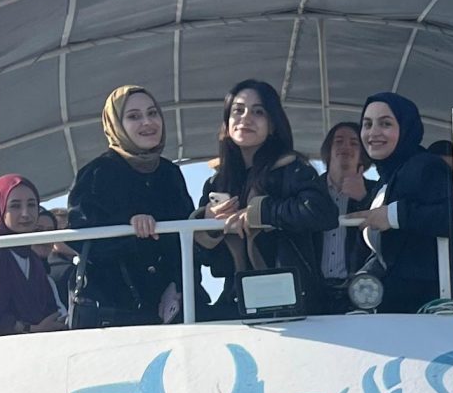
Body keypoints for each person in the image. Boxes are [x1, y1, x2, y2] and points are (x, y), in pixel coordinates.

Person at [198, 80, 338, 320]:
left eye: (258, 112)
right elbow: (202, 256)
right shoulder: (215, 183)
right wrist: (207, 222)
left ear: (273, 125)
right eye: (238, 110)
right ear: (227, 123)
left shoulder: (294, 169)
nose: (246, 118)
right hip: (236, 299)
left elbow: (323, 212)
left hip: (292, 298)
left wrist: (260, 212)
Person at [64, 86, 194, 328]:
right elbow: (79, 235)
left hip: (172, 310)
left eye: (152, 113)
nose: (147, 122)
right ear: (116, 124)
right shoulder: (96, 174)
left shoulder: (170, 173)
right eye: (134, 116)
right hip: (115, 312)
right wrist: (129, 227)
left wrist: (177, 285)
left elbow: (187, 238)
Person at [354, 92, 453, 313]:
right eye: (367, 124)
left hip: (423, 310)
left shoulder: (426, 166)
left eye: (385, 124)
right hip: (391, 306)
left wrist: (394, 216)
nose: (373, 132)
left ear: (406, 128)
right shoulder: (385, 180)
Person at [0, 174, 69, 339]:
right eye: (15, 206)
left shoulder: (33, 259)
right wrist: (31, 329)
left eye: (31, 205)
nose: (25, 214)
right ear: (0, 208)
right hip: (0, 350)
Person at [317, 118, 372, 310]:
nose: (345, 147)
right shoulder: (309, 191)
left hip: (360, 291)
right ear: (328, 151)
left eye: (354, 143)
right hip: (313, 290)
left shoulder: (375, 192)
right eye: (338, 141)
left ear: (363, 153)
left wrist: (363, 198)